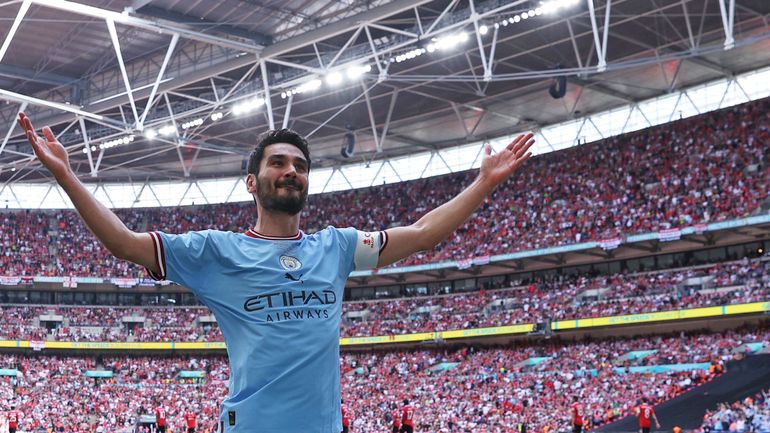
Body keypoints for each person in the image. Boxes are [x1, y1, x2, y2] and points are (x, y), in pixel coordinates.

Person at [17, 112, 533, 433]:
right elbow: (126, 244)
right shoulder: (218, 252)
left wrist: (484, 183)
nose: (291, 171)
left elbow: (421, 233)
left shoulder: (336, 248)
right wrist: (66, 176)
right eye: (279, 162)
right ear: (251, 182)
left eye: (301, 166)